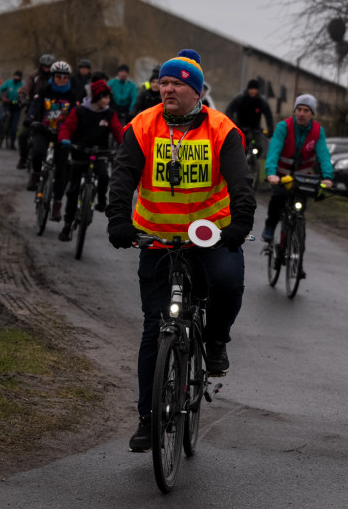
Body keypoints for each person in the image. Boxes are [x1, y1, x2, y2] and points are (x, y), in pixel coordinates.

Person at [106, 49, 255, 453]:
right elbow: (123, 176)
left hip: (210, 236)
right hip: (157, 238)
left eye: (177, 84)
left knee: (228, 284)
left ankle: (217, 339)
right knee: (155, 329)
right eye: (164, 83)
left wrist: (240, 223)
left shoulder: (222, 129)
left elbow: (241, 181)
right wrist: (118, 219)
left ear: (196, 90)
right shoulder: (143, 126)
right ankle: (148, 417)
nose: (167, 89)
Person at [56, 78, 124, 242]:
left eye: (109, 98)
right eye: (104, 97)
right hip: (80, 152)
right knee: (72, 191)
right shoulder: (79, 111)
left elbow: (118, 131)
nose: (107, 101)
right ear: (96, 96)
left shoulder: (109, 114)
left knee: (104, 176)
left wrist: (126, 145)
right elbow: (67, 127)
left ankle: (101, 200)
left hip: (100, 152)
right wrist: (64, 138)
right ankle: (67, 224)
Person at [261, 94, 333, 242]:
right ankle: (270, 226)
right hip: (281, 177)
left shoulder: (318, 132)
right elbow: (273, 151)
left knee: (299, 209)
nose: (301, 113)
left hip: (303, 179)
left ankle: (291, 241)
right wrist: (271, 173)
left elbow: (324, 156)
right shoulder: (283, 127)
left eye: (306, 110)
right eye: (299, 109)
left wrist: (327, 177)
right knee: (278, 199)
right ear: (294, 111)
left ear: (312, 113)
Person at [26, 60, 78, 220]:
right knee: (38, 152)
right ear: (53, 77)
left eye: (65, 77)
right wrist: (31, 118)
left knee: (62, 169)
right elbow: (35, 107)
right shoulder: (44, 90)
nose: (61, 79)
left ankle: (56, 204)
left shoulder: (72, 95)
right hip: (44, 130)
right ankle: (35, 174)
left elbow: (77, 114)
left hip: (62, 135)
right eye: (58, 76)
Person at [17, 53, 55, 169]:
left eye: (49, 67)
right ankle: (23, 158)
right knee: (23, 134)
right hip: (32, 109)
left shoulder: (56, 78)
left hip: (50, 112)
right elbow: (25, 88)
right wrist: (23, 98)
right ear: (41, 66)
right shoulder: (34, 76)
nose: (47, 69)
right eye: (45, 66)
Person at [225, 79, 274, 157]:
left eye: (255, 89)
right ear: (248, 89)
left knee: (259, 148)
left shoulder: (261, 101)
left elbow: (269, 116)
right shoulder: (240, 98)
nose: (253, 91)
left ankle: (253, 163)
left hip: (255, 130)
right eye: (251, 89)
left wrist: (270, 130)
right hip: (241, 128)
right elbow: (229, 111)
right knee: (238, 148)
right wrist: (234, 124)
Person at [0, 70, 23, 149]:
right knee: (0, 119)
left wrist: (20, 101)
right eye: (15, 76)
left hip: (16, 107)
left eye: (18, 76)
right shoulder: (9, 82)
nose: (16, 77)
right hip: (6, 104)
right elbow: (1, 89)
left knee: (14, 126)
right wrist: (2, 97)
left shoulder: (22, 85)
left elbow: (24, 95)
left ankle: (12, 143)